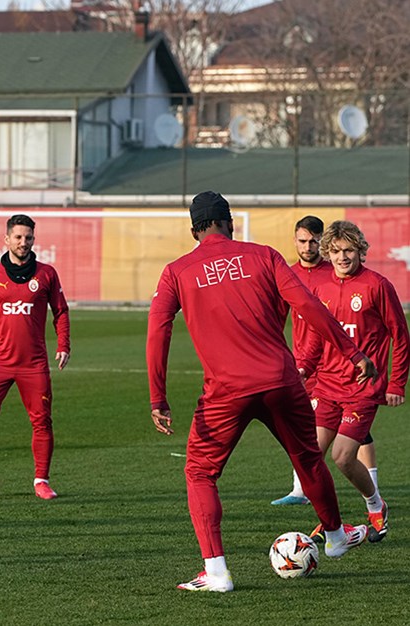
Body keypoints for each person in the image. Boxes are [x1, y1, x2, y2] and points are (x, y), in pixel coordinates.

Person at [146, 191, 375, 592]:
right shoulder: (263, 255)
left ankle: (216, 573)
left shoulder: (177, 271)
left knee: (200, 472)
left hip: (225, 391)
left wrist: (158, 396)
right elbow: (308, 305)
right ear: (230, 222)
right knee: (308, 458)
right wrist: (351, 350)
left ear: (193, 229)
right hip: (282, 382)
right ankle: (337, 537)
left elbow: (158, 331)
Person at [298, 220, 408, 544]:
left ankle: (376, 505)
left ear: (360, 250)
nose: (342, 257)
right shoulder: (320, 288)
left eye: (348, 250)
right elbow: (319, 336)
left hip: (363, 387)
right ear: (327, 253)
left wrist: (397, 384)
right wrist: (304, 367)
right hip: (328, 386)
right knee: (310, 457)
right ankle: (332, 524)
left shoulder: (377, 285)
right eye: (335, 251)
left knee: (343, 456)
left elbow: (401, 337)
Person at [0, 214, 70, 500]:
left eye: (29, 237)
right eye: (19, 237)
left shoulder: (46, 274)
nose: (24, 242)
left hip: (33, 365)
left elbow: (60, 311)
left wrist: (63, 344)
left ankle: (41, 480)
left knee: (41, 421)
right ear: (7, 239)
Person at [272, 216, 377, 505]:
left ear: (322, 242)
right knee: (308, 432)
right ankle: (300, 490)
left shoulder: (334, 273)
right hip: (306, 363)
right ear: (295, 240)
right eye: (302, 240)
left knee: (357, 433)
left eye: (313, 240)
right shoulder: (288, 274)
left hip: (341, 366)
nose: (308, 246)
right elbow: (277, 319)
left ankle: (373, 490)